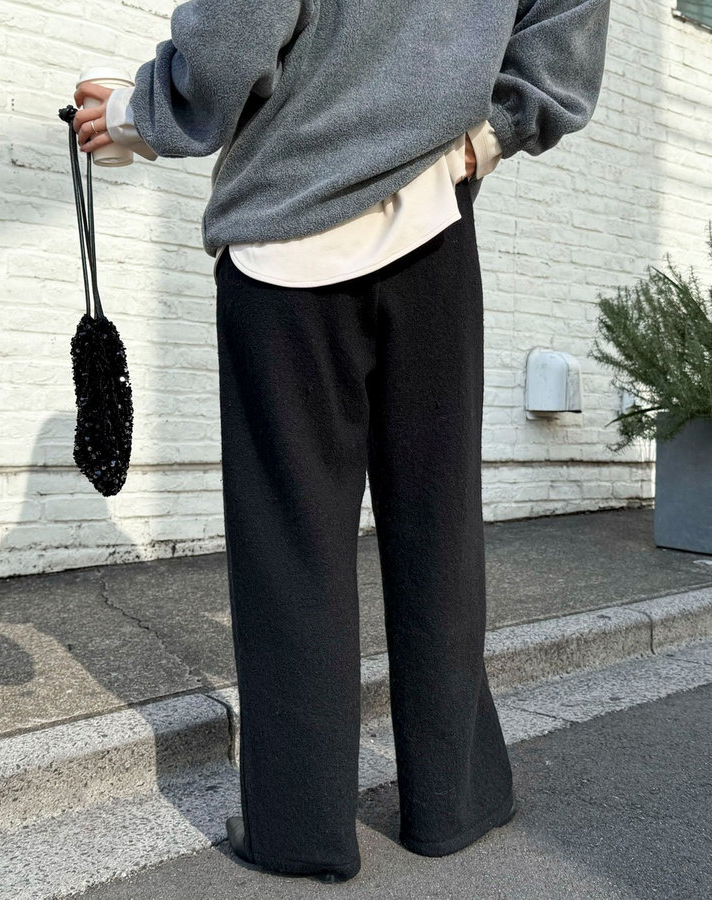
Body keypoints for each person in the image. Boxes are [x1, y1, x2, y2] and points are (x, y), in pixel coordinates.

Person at [74, 0, 611, 884]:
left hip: (287, 232)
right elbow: (566, 21)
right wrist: (487, 138)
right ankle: (454, 801)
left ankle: (301, 828)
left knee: (293, 548)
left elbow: (235, 38)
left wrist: (144, 111)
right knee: (438, 527)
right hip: (436, 219)